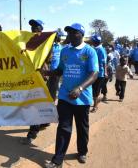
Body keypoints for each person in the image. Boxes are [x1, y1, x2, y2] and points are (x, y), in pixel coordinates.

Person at [44, 23, 99, 168]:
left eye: (72, 33)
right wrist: (46, 72)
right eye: (68, 33)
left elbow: (94, 74)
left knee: (82, 128)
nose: (69, 35)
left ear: (80, 34)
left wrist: (80, 88)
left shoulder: (89, 51)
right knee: (63, 128)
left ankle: (82, 151)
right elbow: (60, 70)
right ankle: (57, 160)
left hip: (82, 98)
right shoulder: (65, 51)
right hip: (65, 97)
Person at [20, 19, 50, 145]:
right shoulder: (26, 41)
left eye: (36, 26)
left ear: (41, 29)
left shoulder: (46, 42)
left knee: (35, 106)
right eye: (32, 27)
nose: (33, 29)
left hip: (40, 77)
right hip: (28, 77)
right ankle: (44, 121)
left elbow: (47, 58)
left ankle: (32, 134)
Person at [90, 34, 107, 113]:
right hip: (93, 72)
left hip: (99, 74)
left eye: (92, 40)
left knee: (96, 91)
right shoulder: (94, 48)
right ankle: (97, 101)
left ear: (95, 41)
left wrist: (105, 72)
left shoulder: (101, 50)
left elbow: (104, 63)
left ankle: (95, 106)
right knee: (93, 90)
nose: (91, 42)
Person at [47, 30, 63, 100]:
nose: (59, 38)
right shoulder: (50, 46)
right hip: (49, 70)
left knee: (54, 87)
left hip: (57, 70)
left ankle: (53, 101)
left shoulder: (62, 47)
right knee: (50, 87)